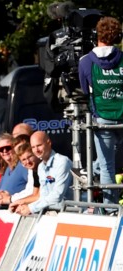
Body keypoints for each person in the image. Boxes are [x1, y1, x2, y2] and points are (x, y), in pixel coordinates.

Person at [79, 16, 123, 205]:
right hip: (122, 116)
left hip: (103, 118)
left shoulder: (86, 61)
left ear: (97, 34)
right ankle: (91, 170)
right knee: (108, 160)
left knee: (107, 166)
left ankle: (111, 209)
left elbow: (83, 89)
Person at [11, 131, 72, 216]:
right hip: (50, 214)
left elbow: (57, 195)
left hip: (69, 214)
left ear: (49, 143)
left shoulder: (62, 162)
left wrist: (30, 208)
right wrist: (22, 205)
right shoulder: (41, 168)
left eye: (39, 145)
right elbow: (43, 196)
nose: (36, 150)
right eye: (33, 147)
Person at [0, 133, 30, 207]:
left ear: (14, 147)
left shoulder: (23, 165)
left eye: (7, 148)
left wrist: (10, 198)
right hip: (4, 213)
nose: (4, 151)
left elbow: (33, 190)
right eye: (1, 149)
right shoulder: (6, 170)